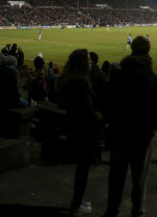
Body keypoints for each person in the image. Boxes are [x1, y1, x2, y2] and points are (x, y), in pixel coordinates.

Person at [101, 36, 157, 217]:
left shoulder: (117, 77)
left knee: (116, 177)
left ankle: (112, 210)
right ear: (148, 51)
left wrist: (110, 124)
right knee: (139, 179)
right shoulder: (156, 81)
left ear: (132, 49)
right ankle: (138, 211)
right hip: (143, 137)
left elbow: (106, 102)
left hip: (119, 134)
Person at [56, 49, 103, 216]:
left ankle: (78, 200)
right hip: (83, 132)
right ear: (82, 63)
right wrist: (99, 117)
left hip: (73, 129)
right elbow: (86, 111)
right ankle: (76, 206)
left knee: (81, 168)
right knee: (83, 169)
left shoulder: (68, 80)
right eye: (89, 60)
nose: (91, 62)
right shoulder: (81, 83)